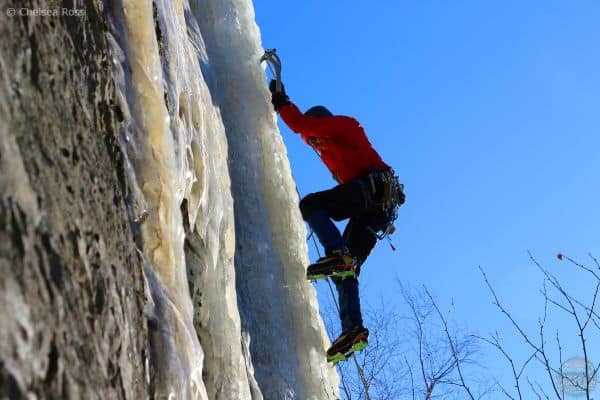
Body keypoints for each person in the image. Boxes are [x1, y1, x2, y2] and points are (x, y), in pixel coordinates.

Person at [269, 80, 405, 363]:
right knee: (347, 271)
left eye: (315, 139)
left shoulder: (343, 126)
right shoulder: (334, 154)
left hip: (372, 191)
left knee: (311, 204)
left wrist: (282, 102)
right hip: (375, 209)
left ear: (322, 124)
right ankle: (353, 330)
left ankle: (337, 253)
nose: (315, 145)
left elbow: (302, 126)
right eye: (312, 144)